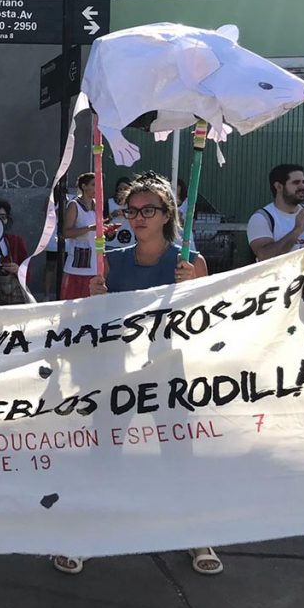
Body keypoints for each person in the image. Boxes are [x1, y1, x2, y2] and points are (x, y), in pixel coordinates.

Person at [52, 171, 219, 577]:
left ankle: (197, 535)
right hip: (119, 372)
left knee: (178, 453)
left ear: (167, 214)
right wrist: (97, 299)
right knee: (105, 452)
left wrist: (194, 286)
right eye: (132, 210)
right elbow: (101, 322)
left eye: (148, 210)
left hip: (170, 371)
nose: (138, 217)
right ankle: (86, 535)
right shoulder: (113, 261)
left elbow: (209, 318)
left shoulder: (188, 262)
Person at [247, 163, 304, 262]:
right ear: (278, 187)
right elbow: (264, 256)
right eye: (296, 182)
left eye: (303, 182)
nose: (302, 187)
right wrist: (297, 230)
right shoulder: (262, 218)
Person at [61, 172, 98, 300]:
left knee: (91, 303)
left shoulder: (96, 204)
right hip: (77, 263)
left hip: (94, 262)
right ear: (84, 186)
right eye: (93, 185)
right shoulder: (74, 205)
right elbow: (66, 233)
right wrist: (90, 228)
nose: (97, 188)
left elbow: (97, 229)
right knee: (72, 301)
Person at [105, 176, 134, 250]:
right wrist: (112, 215)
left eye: (125, 189)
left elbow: (135, 216)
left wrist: (124, 213)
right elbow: (103, 221)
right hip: (111, 243)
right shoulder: (109, 202)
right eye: (120, 189)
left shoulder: (133, 202)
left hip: (129, 243)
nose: (122, 191)